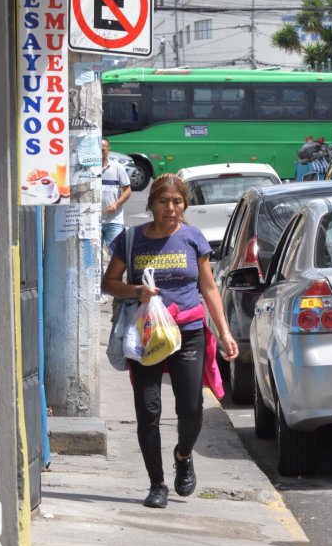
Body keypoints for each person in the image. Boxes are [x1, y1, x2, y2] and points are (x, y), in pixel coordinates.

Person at [102, 174, 240, 509]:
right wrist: (137, 291)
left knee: (191, 407)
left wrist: (224, 332)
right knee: (148, 410)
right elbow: (109, 283)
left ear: (184, 205)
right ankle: (156, 483)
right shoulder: (131, 239)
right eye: (164, 202)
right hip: (147, 332)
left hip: (189, 330)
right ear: (151, 205)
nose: (171, 208)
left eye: (177, 202)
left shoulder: (193, 238)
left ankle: (183, 455)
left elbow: (209, 289)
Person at [100, 137, 132, 263]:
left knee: (116, 254)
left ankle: (115, 280)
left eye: (102, 150)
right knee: (95, 256)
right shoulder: (89, 169)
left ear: (108, 150)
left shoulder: (117, 168)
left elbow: (127, 190)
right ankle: (100, 281)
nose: (100, 153)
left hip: (114, 220)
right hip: (94, 220)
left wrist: (116, 204)